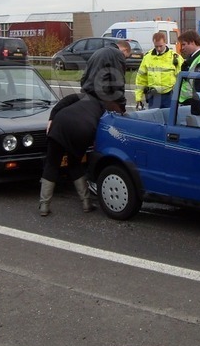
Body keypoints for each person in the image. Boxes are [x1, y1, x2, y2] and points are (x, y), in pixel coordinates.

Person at [39, 40, 131, 216]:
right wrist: (122, 108)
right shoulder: (103, 107)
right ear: (124, 51)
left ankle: (44, 205)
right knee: (75, 164)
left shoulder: (85, 91)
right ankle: (87, 203)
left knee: (52, 163)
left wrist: (51, 119)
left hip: (60, 123)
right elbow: (118, 83)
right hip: (82, 130)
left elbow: (65, 101)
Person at [134, 32, 183, 110]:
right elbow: (141, 79)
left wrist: (181, 97)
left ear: (165, 42)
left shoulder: (175, 58)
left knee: (169, 120)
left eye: (161, 46)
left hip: (169, 95)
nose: (159, 49)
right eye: (156, 46)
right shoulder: (147, 57)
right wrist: (138, 98)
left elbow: (182, 78)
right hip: (153, 96)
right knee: (154, 119)